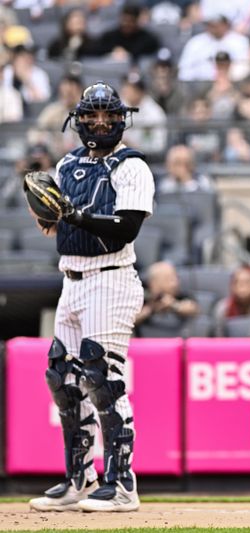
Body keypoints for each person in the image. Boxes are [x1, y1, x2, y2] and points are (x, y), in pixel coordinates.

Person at [27, 82, 155, 512]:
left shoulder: (132, 165)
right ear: (79, 120)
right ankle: (79, 479)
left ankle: (122, 484)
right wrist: (49, 217)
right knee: (62, 378)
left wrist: (72, 215)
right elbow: (57, 224)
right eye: (92, 116)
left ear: (122, 118)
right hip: (72, 279)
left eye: (108, 115)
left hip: (111, 278)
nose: (100, 123)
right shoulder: (67, 163)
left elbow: (127, 226)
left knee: (102, 377)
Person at [134, 261, 199, 334]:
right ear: (153, 283)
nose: (175, 283)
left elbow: (194, 309)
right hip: (144, 342)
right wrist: (151, 309)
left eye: (175, 278)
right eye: (169, 279)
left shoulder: (181, 296)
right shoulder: (140, 297)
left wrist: (173, 305)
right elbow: (129, 321)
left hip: (175, 340)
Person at [214, 263, 250, 336]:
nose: (242, 287)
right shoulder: (223, 308)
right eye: (238, 282)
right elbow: (219, 338)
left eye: (247, 282)